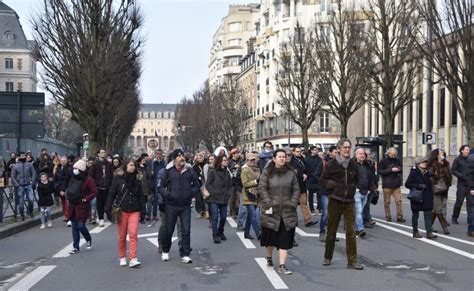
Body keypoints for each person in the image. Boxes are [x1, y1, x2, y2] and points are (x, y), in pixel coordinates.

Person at [321, 138, 363, 270]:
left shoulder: (353, 164)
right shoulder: (331, 164)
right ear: (339, 149)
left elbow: (357, 179)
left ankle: (352, 261)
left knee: (351, 232)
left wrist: (353, 188)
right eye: (344, 147)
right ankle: (328, 257)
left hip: (349, 201)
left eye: (348, 147)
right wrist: (332, 185)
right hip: (335, 199)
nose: (346, 150)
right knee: (331, 231)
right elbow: (322, 180)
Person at [258, 149, 299, 275]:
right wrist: (268, 202)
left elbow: (296, 189)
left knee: (285, 239)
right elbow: (262, 188)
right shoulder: (267, 172)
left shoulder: (291, 173)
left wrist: (292, 203)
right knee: (270, 238)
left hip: (287, 210)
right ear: (274, 158)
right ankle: (269, 258)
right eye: (280, 157)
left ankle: (282, 265)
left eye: (284, 157)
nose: (282, 159)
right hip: (271, 210)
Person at [159, 149, 200, 264]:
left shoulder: (190, 171)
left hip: (186, 205)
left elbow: (197, 185)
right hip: (171, 205)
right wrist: (168, 194)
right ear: (174, 159)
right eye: (179, 156)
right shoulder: (168, 171)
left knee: (186, 230)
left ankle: (185, 253)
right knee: (169, 230)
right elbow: (160, 187)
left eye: (182, 155)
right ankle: (165, 251)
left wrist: (190, 193)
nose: (182, 158)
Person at [106, 159, 146, 267]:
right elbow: (111, 194)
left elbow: (141, 197)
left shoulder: (137, 181)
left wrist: (143, 212)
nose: (133, 167)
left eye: (134, 165)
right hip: (122, 211)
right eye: (131, 165)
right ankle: (122, 256)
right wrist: (107, 209)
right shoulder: (118, 180)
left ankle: (133, 258)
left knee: (133, 234)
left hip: (134, 211)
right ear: (125, 167)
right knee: (122, 236)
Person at [67, 159, 97, 254]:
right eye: (74, 168)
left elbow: (94, 192)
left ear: (81, 169)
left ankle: (88, 238)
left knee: (81, 226)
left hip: (82, 206)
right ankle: (76, 247)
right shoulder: (73, 177)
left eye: (76, 168)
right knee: (74, 226)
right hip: (73, 205)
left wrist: (86, 199)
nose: (74, 170)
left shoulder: (88, 180)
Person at [405, 157, 437, 239]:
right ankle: (415, 232)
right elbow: (407, 184)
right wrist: (419, 185)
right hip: (417, 196)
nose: (425, 163)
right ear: (418, 164)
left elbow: (433, 183)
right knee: (415, 215)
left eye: (425, 162)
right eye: (423, 162)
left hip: (427, 196)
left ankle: (429, 233)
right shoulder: (413, 173)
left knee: (428, 215)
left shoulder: (428, 173)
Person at [206, 154, 232, 244]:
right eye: (224, 160)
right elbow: (208, 184)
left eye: (226, 160)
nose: (226, 162)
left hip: (224, 198)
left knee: (224, 217)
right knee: (215, 217)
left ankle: (221, 231)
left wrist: (229, 193)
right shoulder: (213, 172)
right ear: (220, 162)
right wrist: (213, 192)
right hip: (214, 198)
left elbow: (230, 185)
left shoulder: (227, 173)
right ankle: (215, 234)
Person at [290, 146, 317, 227]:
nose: (299, 153)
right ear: (293, 152)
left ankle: (308, 220)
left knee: (304, 203)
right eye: (297, 151)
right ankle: (293, 221)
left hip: (302, 185)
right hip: (295, 185)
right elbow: (293, 172)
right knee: (293, 205)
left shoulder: (302, 159)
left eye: (300, 151)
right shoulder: (291, 161)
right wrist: (302, 174)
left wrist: (306, 174)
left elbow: (307, 169)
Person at [427, 149, 452, 234]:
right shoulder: (432, 164)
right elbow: (430, 177)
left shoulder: (446, 164)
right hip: (436, 189)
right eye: (441, 153)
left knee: (436, 209)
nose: (443, 155)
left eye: (443, 153)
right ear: (436, 155)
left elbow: (450, 174)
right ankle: (444, 225)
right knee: (438, 208)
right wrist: (436, 182)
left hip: (445, 188)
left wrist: (448, 184)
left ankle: (429, 226)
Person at [379, 147, 406, 223]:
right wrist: (391, 170)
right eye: (392, 155)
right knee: (387, 202)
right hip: (387, 185)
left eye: (395, 155)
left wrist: (398, 169)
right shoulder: (383, 161)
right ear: (388, 154)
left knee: (399, 201)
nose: (393, 156)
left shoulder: (397, 160)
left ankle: (399, 217)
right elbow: (381, 172)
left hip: (396, 184)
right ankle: (388, 217)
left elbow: (401, 170)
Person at [353, 148, 376, 238]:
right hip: (357, 192)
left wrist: (371, 188)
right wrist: (355, 189)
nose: (362, 155)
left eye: (363, 154)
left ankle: (355, 227)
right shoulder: (352, 164)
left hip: (366, 191)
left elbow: (370, 177)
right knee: (359, 211)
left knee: (360, 211)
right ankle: (360, 229)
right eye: (360, 154)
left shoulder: (367, 165)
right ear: (356, 155)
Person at [89, 149, 113, 227]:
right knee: (100, 204)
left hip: (107, 186)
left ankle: (109, 216)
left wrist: (111, 183)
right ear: (98, 154)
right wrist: (93, 186)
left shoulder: (108, 164)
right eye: (102, 152)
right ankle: (101, 218)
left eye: (104, 152)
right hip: (98, 187)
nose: (103, 154)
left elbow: (111, 175)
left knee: (108, 202)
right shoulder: (95, 164)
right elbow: (91, 176)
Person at [240, 152, 261, 239]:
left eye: (254, 159)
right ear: (247, 160)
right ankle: (258, 234)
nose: (253, 161)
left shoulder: (257, 169)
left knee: (250, 216)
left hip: (256, 195)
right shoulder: (244, 170)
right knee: (253, 215)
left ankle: (246, 233)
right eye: (251, 160)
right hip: (248, 195)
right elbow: (244, 184)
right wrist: (256, 182)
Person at [11, 152, 37, 220]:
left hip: (29, 185)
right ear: (19, 157)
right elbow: (13, 176)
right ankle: (22, 215)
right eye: (21, 156)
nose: (23, 157)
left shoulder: (29, 164)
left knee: (31, 200)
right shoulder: (15, 166)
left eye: (24, 156)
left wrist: (32, 182)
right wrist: (17, 185)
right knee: (21, 202)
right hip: (20, 186)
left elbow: (34, 173)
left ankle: (30, 212)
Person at [451, 145, 470, 224]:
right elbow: (453, 170)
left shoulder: (471, 159)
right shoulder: (458, 159)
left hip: (470, 185)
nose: (468, 151)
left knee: (470, 203)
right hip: (462, 184)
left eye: (469, 150)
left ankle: (470, 219)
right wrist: (461, 176)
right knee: (459, 202)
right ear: (462, 151)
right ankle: (454, 217)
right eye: (466, 150)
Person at [305, 146, 323, 215]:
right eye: (315, 150)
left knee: (319, 194)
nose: (316, 151)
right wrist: (309, 175)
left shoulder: (319, 159)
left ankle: (319, 208)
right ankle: (312, 209)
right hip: (310, 179)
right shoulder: (307, 159)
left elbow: (321, 168)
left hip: (318, 179)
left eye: (317, 150)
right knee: (311, 195)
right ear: (311, 151)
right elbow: (306, 168)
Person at [363, 149, 378, 228]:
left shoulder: (371, 163)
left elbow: (373, 176)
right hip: (365, 187)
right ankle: (366, 220)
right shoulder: (363, 164)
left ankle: (367, 218)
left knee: (367, 204)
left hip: (372, 186)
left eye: (370, 154)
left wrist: (375, 186)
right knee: (365, 205)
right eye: (368, 154)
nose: (370, 156)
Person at [149, 150, 165, 222]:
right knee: (152, 200)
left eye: (160, 154)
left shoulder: (163, 162)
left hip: (160, 183)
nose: (158, 155)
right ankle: (151, 214)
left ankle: (157, 214)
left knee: (159, 200)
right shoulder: (152, 162)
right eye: (157, 154)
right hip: (152, 183)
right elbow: (149, 172)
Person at [228, 148, 242, 218]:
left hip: (239, 181)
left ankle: (237, 211)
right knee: (232, 197)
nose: (238, 154)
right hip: (232, 182)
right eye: (237, 153)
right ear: (233, 154)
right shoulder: (229, 161)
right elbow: (227, 170)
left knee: (238, 198)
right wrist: (233, 167)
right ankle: (232, 212)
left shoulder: (240, 161)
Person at [136, 156, 150, 224]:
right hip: (139, 188)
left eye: (145, 161)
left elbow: (149, 175)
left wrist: (146, 168)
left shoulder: (146, 168)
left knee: (144, 204)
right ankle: (138, 216)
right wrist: (140, 168)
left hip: (145, 188)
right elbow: (138, 177)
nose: (144, 162)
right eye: (143, 161)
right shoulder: (137, 169)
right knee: (139, 204)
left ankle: (143, 217)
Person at [192, 153, 206, 219]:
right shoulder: (194, 166)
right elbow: (193, 175)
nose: (199, 158)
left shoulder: (206, 165)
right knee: (198, 198)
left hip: (205, 183)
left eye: (201, 157)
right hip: (197, 183)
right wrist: (198, 178)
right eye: (198, 157)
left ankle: (205, 210)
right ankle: (199, 211)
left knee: (205, 198)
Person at [466, 149, 474, 237]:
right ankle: (472, 229)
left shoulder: (470, 158)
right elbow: (470, 175)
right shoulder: (472, 159)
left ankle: (471, 229)